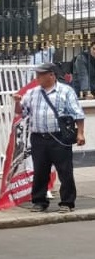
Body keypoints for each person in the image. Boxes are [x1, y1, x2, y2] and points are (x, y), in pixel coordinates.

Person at [14, 62, 86, 213]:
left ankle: (67, 202)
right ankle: (39, 201)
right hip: (39, 137)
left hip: (59, 137)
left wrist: (80, 133)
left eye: (40, 75)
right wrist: (17, 102)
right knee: (40, 170)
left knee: (65, 170)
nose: (37, 78)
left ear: (51, 75)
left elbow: (77, 113)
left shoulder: (65, 91)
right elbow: (22, 112)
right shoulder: (33, 92)